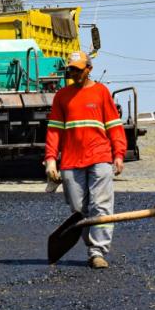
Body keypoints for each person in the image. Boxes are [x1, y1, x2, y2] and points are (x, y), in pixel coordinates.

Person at [45, 51, 126, 269]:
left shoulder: (101, 92)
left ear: (89, 69)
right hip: (71, 160)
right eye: (70, 69)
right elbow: (54, 131)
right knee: (79, 208)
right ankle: (92, 244)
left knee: (101, 205)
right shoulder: (62, 96)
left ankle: (97, 252)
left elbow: (114, 126)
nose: (73, 73)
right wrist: (51, 160)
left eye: (78, 70)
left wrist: (118, 154)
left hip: (99, 156)